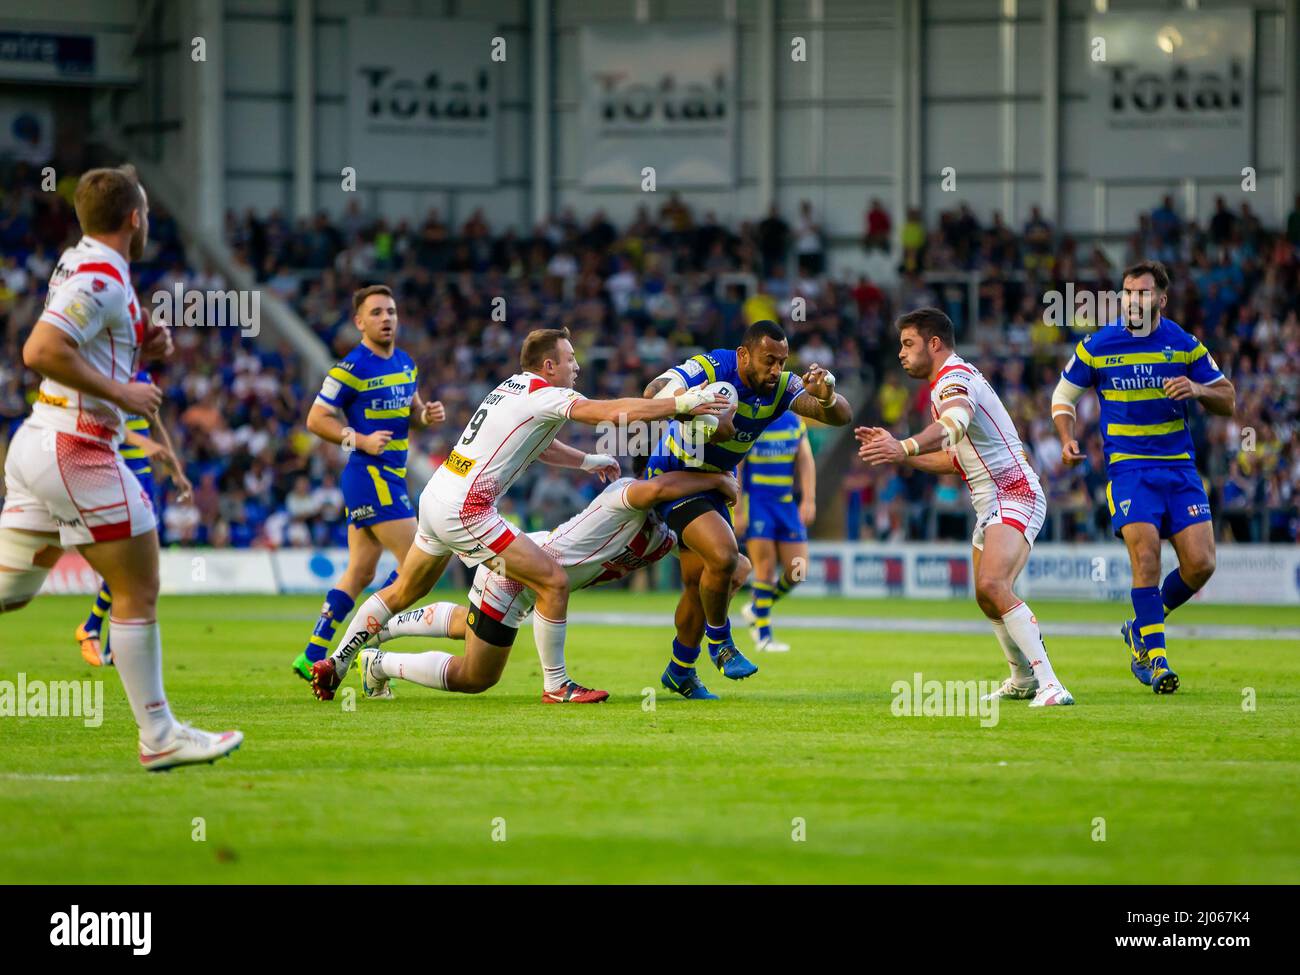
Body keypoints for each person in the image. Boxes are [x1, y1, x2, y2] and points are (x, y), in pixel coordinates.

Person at [309, 326, 729, 703]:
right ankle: (557, 685)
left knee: (403, 592)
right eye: (570, 360)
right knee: (553, 580)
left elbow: (536, 443)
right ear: (550, 365)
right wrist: (684, 401)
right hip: (468, 510)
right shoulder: (547, 394)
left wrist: (586, 461)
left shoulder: (512, 388)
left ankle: (338, 662)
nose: (577, 367)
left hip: (438, 495)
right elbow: (608, 412)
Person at [0, 164, 241, 769]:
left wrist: (141, 340)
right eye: (148, 212)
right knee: (139, 587)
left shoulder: (81, 261)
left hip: (39, 440)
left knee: (12, 590)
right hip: (75, 450)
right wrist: (124, 390)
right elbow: (40, 349)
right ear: (135, 218)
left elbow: (87, 333)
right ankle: (160, 736)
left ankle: (161, 735)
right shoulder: (105, 276)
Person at [349, 460, 740, 703]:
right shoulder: (625, 494)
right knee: (476, 676)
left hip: (523, 574)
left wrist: (729, 564)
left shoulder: (668, 532)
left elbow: (723, 564)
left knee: (468, 628)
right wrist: (716, 482)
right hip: (518, 575)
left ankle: (382, 633)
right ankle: (380, 664)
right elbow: (657, 488)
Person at [857, 307, 1073, 708]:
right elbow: (955, 459)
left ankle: (1051, 684)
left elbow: (954, 423)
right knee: (986, 594)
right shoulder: (947, 382)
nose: (901, 354)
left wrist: (904, 445)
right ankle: (1022, 679)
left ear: (934, 343)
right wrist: (900, 455)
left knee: (994, 585)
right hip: (989, 498)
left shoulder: (954, 379)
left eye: (908, 344)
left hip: (1015, 491)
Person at [642, 320, 851, 700]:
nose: (776, 370)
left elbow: (841, 417)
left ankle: (680, 671)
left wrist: (827, 396)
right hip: (675, 474)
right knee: (725, 558)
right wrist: (692, 409)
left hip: (715, 483)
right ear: (743, 354)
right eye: (769, 360)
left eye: (782, 361)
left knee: (699, 584)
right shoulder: (712, 367)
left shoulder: (781, 387)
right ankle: (721, 643)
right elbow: (653, 391)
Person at [1053, 260, 1234, 694]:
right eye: (1128, 292)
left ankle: (1141, 628)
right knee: (1147, 558)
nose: (1134, 300)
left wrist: (1198, 389)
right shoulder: (1099, 345)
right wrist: (1066, 437)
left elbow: (1228, 398)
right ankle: (1156, 659)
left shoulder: (1184, 344)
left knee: (1201, 564)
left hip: (1179, 468)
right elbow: (1063, 396)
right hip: (1129, 469)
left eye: (1143, 292)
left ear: (1161, 299)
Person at [290, 284, 445, 682]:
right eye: (376, 312)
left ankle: (313, 653)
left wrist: (426, 415)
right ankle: (364, 646)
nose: (386, 318)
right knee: (418, 563)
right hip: (369, 475)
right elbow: (315, 420)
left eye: (391, 311)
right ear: (359, 322)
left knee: (359, 572)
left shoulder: (406, 363)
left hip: (389, 475)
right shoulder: (349, 368)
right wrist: (357, 439)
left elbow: (412, 413)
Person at [75, 367, 192, 667]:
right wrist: (143, 444)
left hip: (145, 479)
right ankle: (92, 625)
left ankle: (112, 642)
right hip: (117, 473)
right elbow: (102, 425)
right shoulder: (106, 373)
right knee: (129, 561)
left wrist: (175, 470)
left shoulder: (143, 378)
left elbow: (156, 424)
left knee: (134, 565)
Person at [736, 411, 815, 652]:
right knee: (765, 569)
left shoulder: (793, 421)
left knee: (798, 570)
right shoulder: (751, 418)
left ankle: (756, 607)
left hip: (786, 502)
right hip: (758, 503)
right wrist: (738, 509)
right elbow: (737, 465)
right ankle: (763, 636)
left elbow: (805, 459)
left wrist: (809, 499)